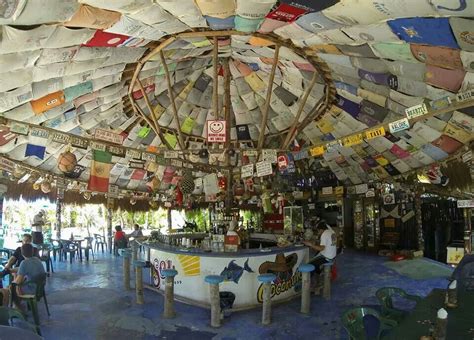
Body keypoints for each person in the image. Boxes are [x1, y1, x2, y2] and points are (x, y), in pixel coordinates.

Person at [1, 244, 45, 308]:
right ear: (32, 251)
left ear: (22, 253)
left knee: (7, 290)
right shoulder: (37, 260)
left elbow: (17, 283)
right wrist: (11, 270)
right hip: (39, 289)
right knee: (12, 287)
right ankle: (16, 306)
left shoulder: (24, 263)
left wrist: (14, 276)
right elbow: (22, 268)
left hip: (31, 290)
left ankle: (12, 310)